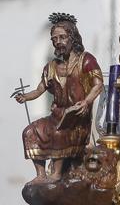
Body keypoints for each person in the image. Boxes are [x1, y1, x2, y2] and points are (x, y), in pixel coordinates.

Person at [12, 14, 104, 181]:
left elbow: (98, 84)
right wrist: (25, 97)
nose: (58, 42)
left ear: (72, 37)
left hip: (77, 118)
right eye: (54, 39)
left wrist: (87, 101)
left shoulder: (86, 60)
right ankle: (40, 174)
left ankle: (56, 173)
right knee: (30, 132)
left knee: (58, 133)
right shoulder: (51, 67)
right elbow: (40, 89)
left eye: (62, 37)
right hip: (57, 115)